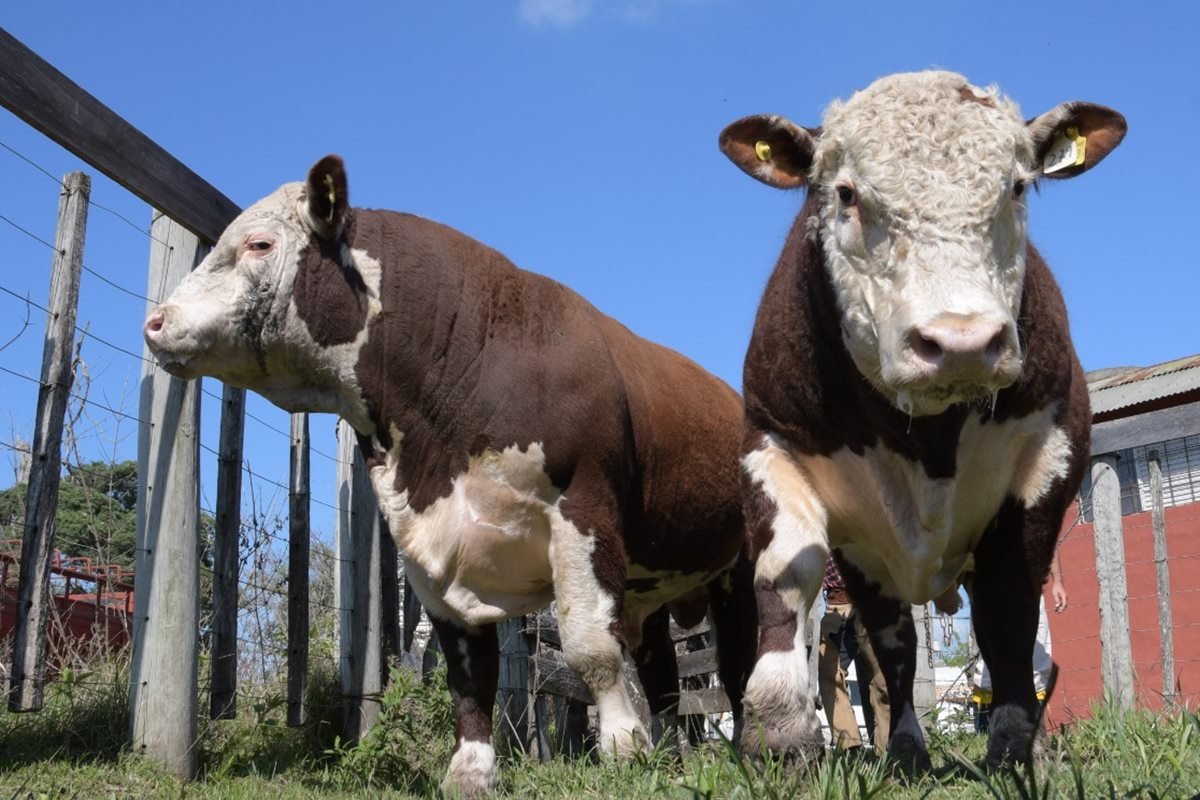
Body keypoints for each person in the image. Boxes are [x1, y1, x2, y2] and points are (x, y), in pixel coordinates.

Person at [967, 550, 1067, 732]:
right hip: (991, 590)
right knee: (989, 665)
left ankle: (1034, 732)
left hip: (1029, 590)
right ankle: (986, 732)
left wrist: (1058, 581)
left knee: (1037, 663)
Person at [817, 556, 890, 751]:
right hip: (836, 605)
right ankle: (849, 745)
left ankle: (885, 746)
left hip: (869, 602)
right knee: (828, 671)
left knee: (881, 679)